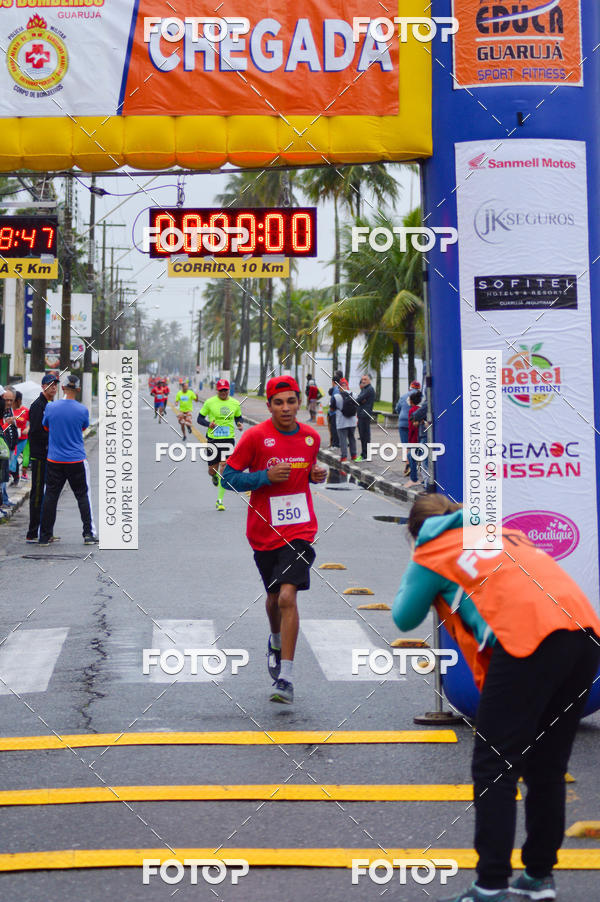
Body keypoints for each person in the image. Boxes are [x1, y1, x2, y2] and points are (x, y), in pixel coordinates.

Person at [392, 494, 600, 902]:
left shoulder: (432, 551)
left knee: (495, 765)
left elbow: (404, 616)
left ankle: (490, 885)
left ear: (415, 532)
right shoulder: (502, 533)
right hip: (584, 633)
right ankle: (539, 878)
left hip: (528, 639)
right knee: (547, 766)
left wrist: (418, 564)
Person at [222, 375, 327, 705]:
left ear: (299, 403)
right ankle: (275, 639)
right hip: (264, 531)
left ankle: (286, 677)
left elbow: (309, 471)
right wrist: (264, 477)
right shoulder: (255, 437)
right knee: (272, 599)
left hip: (300, 531)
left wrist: (316, 475)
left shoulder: (311, 437)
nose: (285, 408)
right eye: (278, 403)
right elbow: (227, 478)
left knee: (286, 596)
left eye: (291, 401)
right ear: (268, 406)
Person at [39, 374, 97, 546]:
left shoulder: (51, 407)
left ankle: (44, 536)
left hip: (54, 460)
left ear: (63, 388)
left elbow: (46, 427)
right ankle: (88, 534)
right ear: (78, 389)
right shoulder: (82, 410)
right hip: (76, 460)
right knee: (82, 496)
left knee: (50, 496)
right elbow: (83, 428)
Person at [197, 378, 243, 511]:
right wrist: (209, 424)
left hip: (228, 440)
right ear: (217, 390)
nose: (223, 392)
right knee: (212, 471)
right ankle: (214, 476)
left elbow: (238, 417)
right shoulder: (209, 402)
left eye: (225, 390)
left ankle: (220, 501)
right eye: (221, 390)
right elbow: (199, 419)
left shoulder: (235, 403)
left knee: (223, 467)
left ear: (229, 390)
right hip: (213, 440)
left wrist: (239, 423)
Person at [26, 373, 59, 542]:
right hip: (39, 456)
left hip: (49, 455)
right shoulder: (38, 406)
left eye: (55, 385)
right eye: (50, 385)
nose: (54, 388)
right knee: (38, 494)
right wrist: (53, 438)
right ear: (43, 386)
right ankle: (33, 532)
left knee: (47, 494)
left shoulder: (49, 405)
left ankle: (45, 531)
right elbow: (35, 432)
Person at [396, 380, 421, 476]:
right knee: (415, 443)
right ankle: (413, 464)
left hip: (402, 422)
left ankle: (407, 464)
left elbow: (397, 409)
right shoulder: (421, 396)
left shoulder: (403, 396)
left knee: (406, 445)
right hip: (415, 422)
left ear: (410, 387)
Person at [330, 377, 358, 462]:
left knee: (343, 439)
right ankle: (354, 455)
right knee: (352, 438)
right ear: (347, 386)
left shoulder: (336, 397)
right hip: (352, 421)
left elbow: (332, 409)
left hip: (341, 422)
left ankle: (344, 456)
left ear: (339, 387)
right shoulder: (354, 395)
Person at [0, 389, 18, 517]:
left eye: (11, 400)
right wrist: (7, 423)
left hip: (9, 447)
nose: (9, 402)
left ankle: (4, 499)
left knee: (5, 476)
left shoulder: (9, 410)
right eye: (6, 399)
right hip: (3, 450)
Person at [8, 390, 29, 485]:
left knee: (14, 456)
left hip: (23, 438)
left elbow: (32, 421)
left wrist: (27, 429)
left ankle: (9, 473)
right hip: (12, 438)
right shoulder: (9, 410)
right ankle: (15, 477)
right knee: (13, 456)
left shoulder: (25, 410)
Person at [355, 373, 376, 461]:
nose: (363, 381)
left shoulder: (369, 389)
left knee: (365, 436)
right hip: (361, 414)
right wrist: (360, 400)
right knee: (362, 436)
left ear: (369, 380)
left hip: (365, 415)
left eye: (365, 379)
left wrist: (360, 400)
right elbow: (359, 400)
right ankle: (364, 454)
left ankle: (365, 455)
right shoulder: (364, 389)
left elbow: (357, 399)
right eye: (362, 379)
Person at [405, 389, 422, 487]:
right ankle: (414, 478)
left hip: (414, 438)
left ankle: (414, 479)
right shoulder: (420, 409)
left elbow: (411, 427)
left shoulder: (411, 411)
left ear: (411, 401)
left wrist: (409, 440)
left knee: (411, 457)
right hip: (419, 437)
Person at [327, 369, 343, 449]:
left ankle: (335, 444)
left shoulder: (336, 389)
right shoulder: (338, 388)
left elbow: (336, 400)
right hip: (336, 411)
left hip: (334, 412)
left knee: (334, 428)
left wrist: (332, 408)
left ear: (333, 382)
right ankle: (335, 443)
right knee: (335, 428)